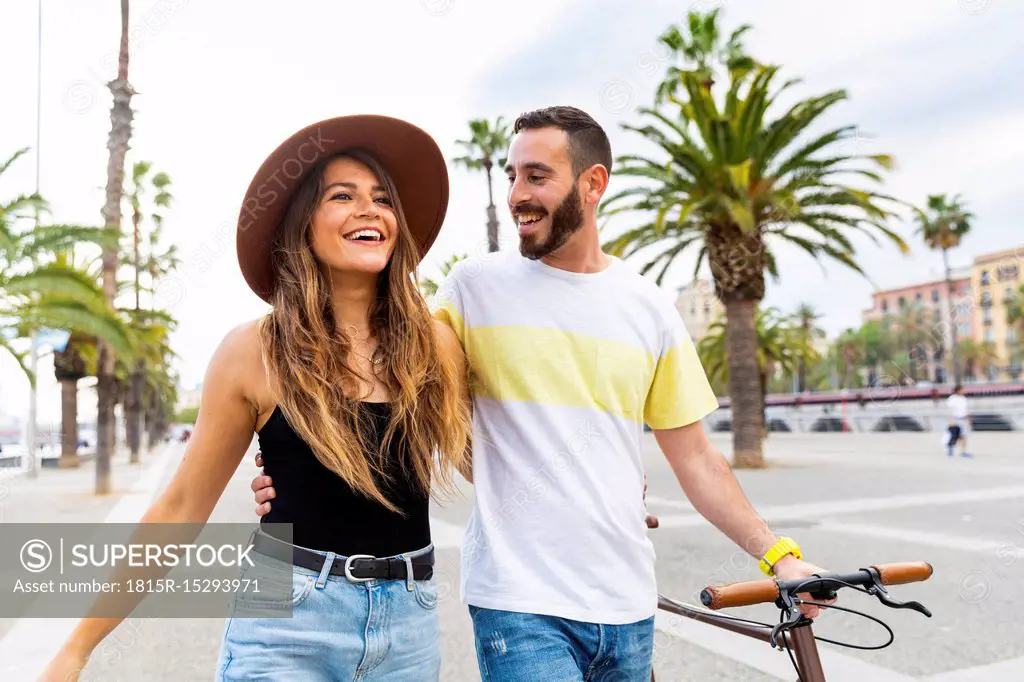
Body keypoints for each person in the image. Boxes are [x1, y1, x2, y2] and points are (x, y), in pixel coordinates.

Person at [253, 105, 827, 681]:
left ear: (593, 183)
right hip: (518, 604)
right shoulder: (473, 290)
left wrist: (779, 555)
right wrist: (289, 456)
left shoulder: (648, 305)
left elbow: (697, 457)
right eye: (511, 176)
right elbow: (373, 366)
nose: (517, 194)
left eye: (537, 176)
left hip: (627, 599)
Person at [40, 114, 472, 682]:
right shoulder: (254, 351)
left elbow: (485, 462)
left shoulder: (435, 344)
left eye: (382, 199)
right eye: (342, 196)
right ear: (304, 226)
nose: (370, 210)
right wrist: (77, 647)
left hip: (410, 625)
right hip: (285, 620)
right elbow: (180, 508)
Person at [946, 384, 972, 458]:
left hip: (963, 419)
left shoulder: (964, 399)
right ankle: (950, 448)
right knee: (955, 436)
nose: (964, 391)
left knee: (965, 436)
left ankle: (964, 451)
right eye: (962, 390)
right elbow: (950, 410)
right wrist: (951, 420)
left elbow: (966, 409)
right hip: (956, 419)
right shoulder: (952, 399)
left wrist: (968, 420)